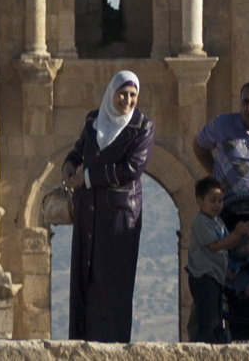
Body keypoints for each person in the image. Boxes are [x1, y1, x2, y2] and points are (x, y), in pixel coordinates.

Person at [61, 70, 155, 342]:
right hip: (88, 210)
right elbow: (79, 149)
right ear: (111, 94)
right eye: (122, 94)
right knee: (85, 276)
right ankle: (82, 343)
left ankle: (112, 345)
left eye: (133, 95)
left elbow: (132, 168)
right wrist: (70, 162)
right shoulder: (93, 120)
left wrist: (88, 177)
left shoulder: (142, 127)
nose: (127, 100)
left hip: (119, 216)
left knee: (113, 280)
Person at [186, 175, 249, 343]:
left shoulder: (217, 222)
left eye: (220, 201)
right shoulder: (201, 222)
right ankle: (204, 344)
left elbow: (228, 245)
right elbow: (215, 245)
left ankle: (215, 341)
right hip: (203, 276)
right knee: (208, 315)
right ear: (199, 201)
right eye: (212, 200)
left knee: (216, 312)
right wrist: (236, 234)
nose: (217, 205)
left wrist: (240, 234)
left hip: (215, 276)